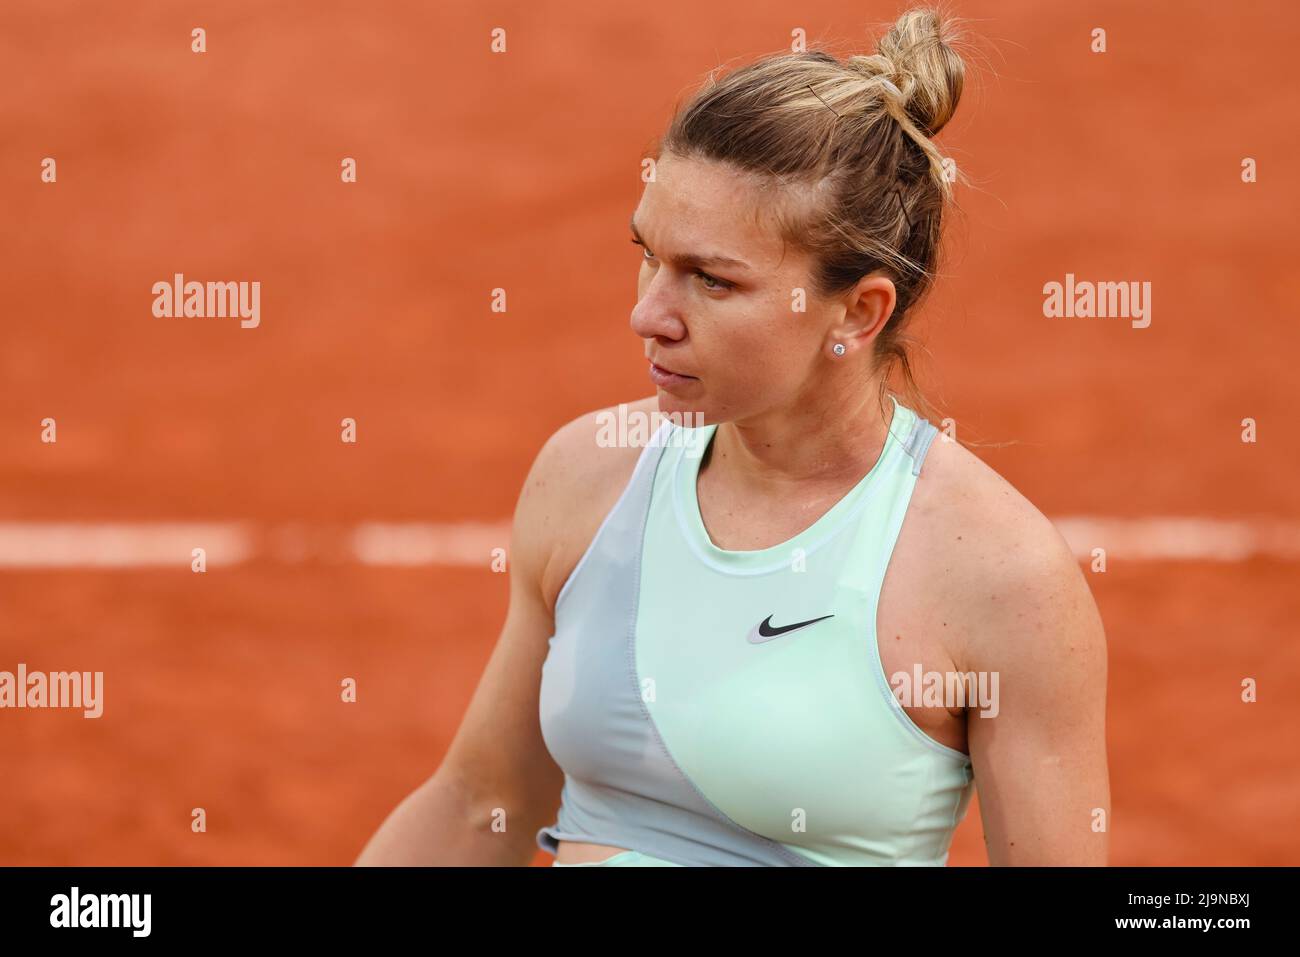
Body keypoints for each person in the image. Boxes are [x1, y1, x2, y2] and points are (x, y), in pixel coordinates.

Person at [355, 6, 1110, 867]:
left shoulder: (999, 575)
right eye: (649, 254)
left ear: (857, 313)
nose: (646, 314)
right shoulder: (587, 473)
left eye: (711, 281)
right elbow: (481, 797)